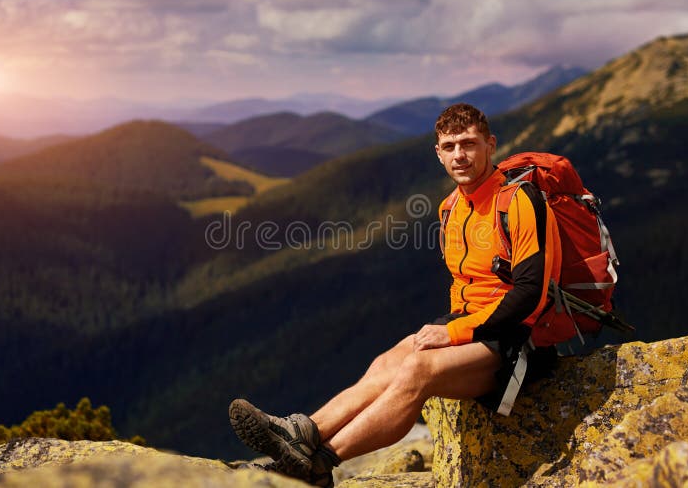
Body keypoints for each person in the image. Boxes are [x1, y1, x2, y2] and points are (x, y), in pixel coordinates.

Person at [229, 103, 562, 487]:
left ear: (491, 145)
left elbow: (531, 295)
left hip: (521, 343)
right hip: (475, 328)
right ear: (438, 153)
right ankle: (303, 433)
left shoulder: (520, 201)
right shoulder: (452, 208)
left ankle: (317, 464)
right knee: (392, 358)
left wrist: (453, 335)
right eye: (450, 146)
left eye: (469, 144)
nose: (460, 155)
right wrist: (452, 331)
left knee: (418, 369)